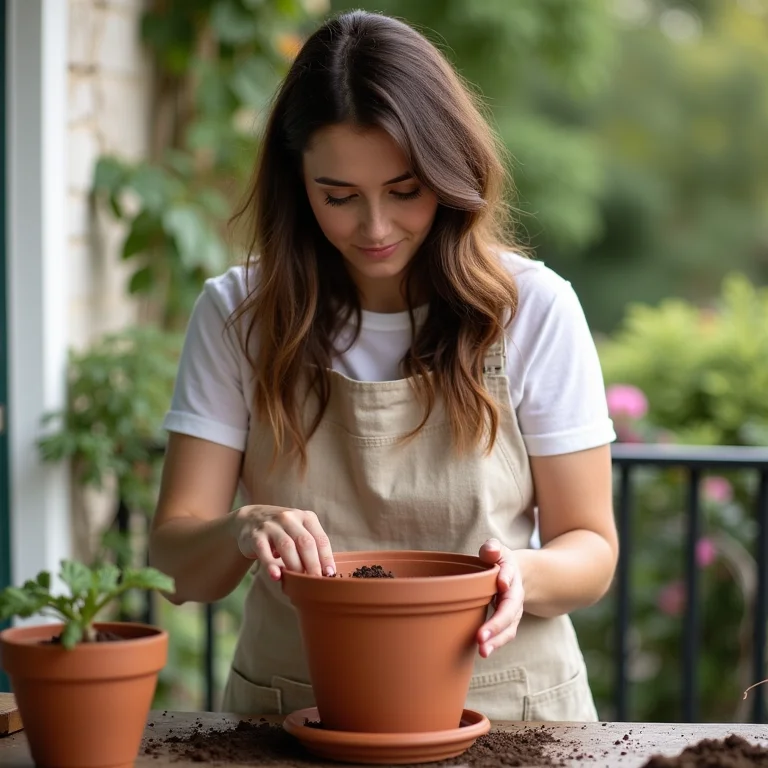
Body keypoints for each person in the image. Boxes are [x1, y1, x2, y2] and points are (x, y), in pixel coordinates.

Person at [148, 9, 619, 722]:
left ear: (451, 171)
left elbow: (591, 548)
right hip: (296, 714)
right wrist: (241, 528)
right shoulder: (239, 315)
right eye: (337, 196)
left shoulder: (533, 308)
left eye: (405, 191)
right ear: (296, 182)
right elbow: (178, 565)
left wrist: (519, 573)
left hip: (507, 709)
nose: (373, 228)